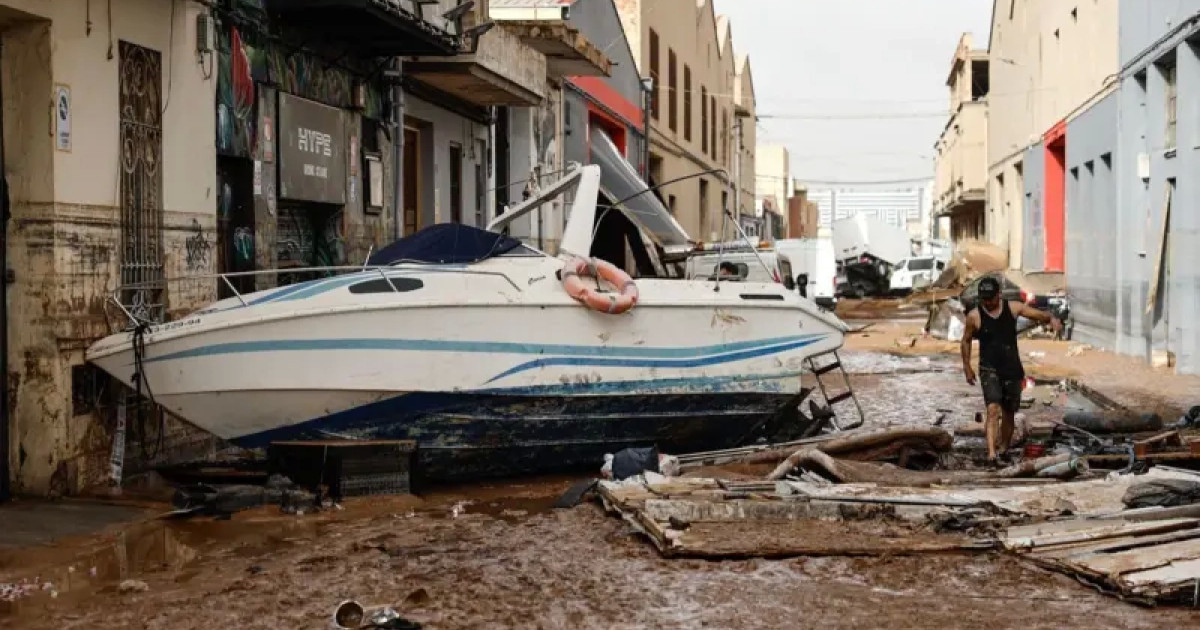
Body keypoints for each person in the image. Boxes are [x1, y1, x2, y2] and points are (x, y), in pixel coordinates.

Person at [961, 276, 1062, 465]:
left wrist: (1051, 319)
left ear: (998, 295)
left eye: (990, 298)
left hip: (1011, 368)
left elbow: (1036, 315)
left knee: (1009, 412)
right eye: (984, 299)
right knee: (992, 410)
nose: (987, 303)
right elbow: (965, 340)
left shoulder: (1013, 308)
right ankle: (991, 454)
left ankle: (1003, 449)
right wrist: (967, 366)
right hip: (988, 368)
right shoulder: (974, 316)